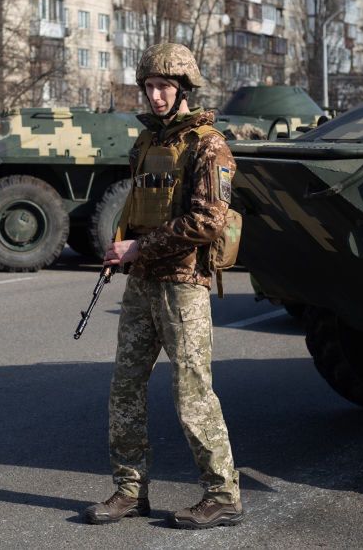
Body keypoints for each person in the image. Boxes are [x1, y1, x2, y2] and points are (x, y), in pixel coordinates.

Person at [84, 43, 243, 529]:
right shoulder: (146, 144)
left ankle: (223, 494)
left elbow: (208, 221)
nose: (155, 96)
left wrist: (138, 249)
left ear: (183, 91)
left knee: (193, 392)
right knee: (125, 387)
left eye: (164, 87)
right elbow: (136, 206)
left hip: (183, 286)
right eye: (150, 86)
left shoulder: (208, 145)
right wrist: (121, 248)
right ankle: (130, 491)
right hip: (144, 283)